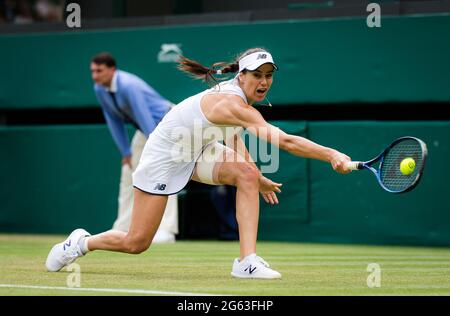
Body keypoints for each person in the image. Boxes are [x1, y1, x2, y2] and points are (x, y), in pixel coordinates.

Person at [46, 48, 352, 279]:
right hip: (164, 156)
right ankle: (81, 243)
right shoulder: (231, 103)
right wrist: (332, 155)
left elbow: (233, 137)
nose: (264, 82)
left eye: (268, 75)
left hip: (197, 151)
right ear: (240, 76)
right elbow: (284, 141)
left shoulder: (237, 102)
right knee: (136, 242)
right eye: (257, 75)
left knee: (246, 174)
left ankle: (246, 262)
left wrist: (254, 176)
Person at [90, 52, 178, 244]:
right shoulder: (99, 89)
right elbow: (113, 119)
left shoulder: (128, 85)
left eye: (99, 71)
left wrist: (156, 146)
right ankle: (123, 227)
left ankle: (166, 230)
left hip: (166, 124)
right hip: (145, 130)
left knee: (164, 174)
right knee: (129, 173)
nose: (95, 76)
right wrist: (126, 152)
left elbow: (143, 113)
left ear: (112, 70)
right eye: (93, 71)